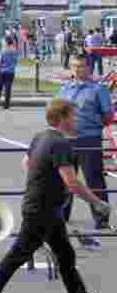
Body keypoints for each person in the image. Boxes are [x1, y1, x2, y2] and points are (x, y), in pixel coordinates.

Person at [0, 100, 114, 293]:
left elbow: (27, 163)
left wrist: (43, 180)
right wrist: (98, 203)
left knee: (65, 256)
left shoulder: (41, 137)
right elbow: (72, 182)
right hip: (43, 210)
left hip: (41, 207)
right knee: (18, 255)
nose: (77, 120)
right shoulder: (60, 144)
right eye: (74, 116)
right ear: (63, 118)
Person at [57, 55, 114, 247]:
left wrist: (92, 127)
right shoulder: (65, 88)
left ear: (88, 67)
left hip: (88, 139)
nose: (78, 70)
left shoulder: (99, 89)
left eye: (81, 66)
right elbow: (57, 112)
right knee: (65, 180)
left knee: (94, 179)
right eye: (74, 66)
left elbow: (108, 116)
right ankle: (62, 215)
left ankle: (101, 218)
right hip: (65, 140)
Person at [0, 38, 19, 110]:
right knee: (8, 89)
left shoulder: (3, 51)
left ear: (6, 43)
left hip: (1, 72)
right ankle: (6, 105)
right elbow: (16, 61)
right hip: (10, 72)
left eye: (4, 42)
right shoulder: (15, 51)